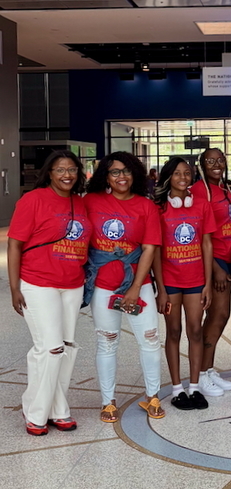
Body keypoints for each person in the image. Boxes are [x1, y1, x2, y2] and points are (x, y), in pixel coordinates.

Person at [7, 150, 92, 436]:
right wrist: (14, 287)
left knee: (66, 348)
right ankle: (35, 411)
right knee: (50, 348)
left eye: (72, 169)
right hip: (38, 282)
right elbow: (15, 245)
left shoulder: (80, 203)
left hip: (72, 283)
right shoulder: (32, 200)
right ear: (49, 173)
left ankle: (59, 409)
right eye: (60, 170)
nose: (67, 174)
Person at [84, 152, 164, 423]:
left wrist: (134, 288)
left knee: (150, 339)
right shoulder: (91, 202)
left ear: (136, 175)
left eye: (127, 171)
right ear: (105, 176)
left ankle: (152, 396)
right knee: (107, 342)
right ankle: (108, 402)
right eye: (115, 172)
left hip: (138, 284)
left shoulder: (146, 206)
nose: (121, 177)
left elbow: (150, 248)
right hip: (104, 286)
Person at [153, 156, 216, 409]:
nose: (183, 178)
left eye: (187, 173)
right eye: (177, 173)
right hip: (170, 281)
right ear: (168, 177)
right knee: (174, 332)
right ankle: (177, 388)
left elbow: (207, 244)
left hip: (195, 280)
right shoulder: (159, 208)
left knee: (196, 331)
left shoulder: (201, 205)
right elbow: (155, 249)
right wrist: (160, 288)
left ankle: (195, 387)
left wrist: (208, 283)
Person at [191, 148, 231, 396]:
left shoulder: (224, 188)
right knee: (216, 316)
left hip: (228, 260)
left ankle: (208, 369)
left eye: (220, 159)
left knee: (220, 317)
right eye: (210, 160)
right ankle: (199, 374)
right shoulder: (200, 191)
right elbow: (199, 234)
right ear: (201, 164)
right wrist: (216, 269)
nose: (216, 163)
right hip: (214, 262)